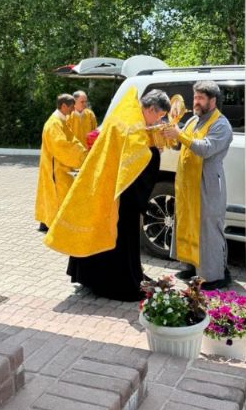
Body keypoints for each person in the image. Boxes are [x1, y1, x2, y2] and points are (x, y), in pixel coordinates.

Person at [44, 88, 171, 301]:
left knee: (99, 230)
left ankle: (90, 277)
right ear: (150, 109)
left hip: (105, 184)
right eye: (158, 117)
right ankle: (115, 283)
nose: (156, 122)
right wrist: (156, 151)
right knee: (118, 235)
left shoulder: (128, 113)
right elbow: (138, 158)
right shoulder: (131, 124)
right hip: (119, 193)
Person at [163, 80, 233, 289]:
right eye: (195, 97)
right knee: (187, 223)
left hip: (207, 183)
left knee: (208, 228)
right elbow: (180, 144)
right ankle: (192, 267)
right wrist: (170, 135)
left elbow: (205, 149)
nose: (196, 102)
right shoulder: (193, 120)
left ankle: (215, 276)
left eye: (201, 98)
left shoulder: (221, 124)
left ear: (213, 100)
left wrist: (180, 135)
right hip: (187, 183)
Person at [35, 94, 87, 232]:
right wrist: (82, 156)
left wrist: (82, 150)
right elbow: (62, 146)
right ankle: (53, 225)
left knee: (54, 196)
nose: (73, 110)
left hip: (59, 166)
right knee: (56, 196)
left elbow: (72, 139)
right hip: (55, 168)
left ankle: (48, 223)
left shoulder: (61, 121)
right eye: (71, 107)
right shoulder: (54, 124)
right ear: (64, 106)